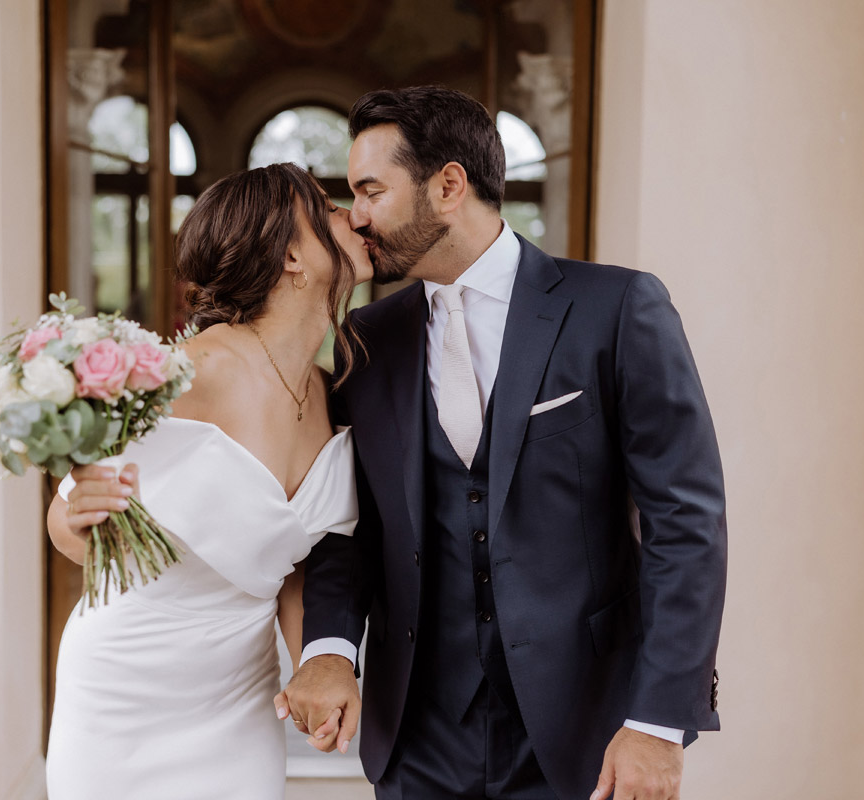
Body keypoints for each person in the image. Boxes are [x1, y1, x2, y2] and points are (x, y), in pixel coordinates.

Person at [277, 86, 728, 800]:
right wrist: (331, 649)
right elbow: (349, 523)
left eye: (370, 191)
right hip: (418, 738)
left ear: (449, 185)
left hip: (585, 735)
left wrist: (659, 720)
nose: (355, 218)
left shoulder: (616, 310)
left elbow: (687, 526)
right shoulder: (370, 339)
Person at [43, 163, 373, 800]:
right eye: (328, 209)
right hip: (126, 690)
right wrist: (74, 515)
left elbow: (295, 569)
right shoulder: (191, 372)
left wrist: (319, 668)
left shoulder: (327, 391)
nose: (352, 216)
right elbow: (69, 523)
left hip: (237, 696)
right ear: (291, 257)